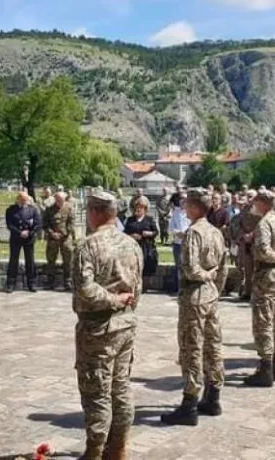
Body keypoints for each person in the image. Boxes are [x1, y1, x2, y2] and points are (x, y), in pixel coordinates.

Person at [72, 191, 143, 460]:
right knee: (120, 388)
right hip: (125, 325)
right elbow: (138, 289)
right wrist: (123, 305)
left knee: (97, 393)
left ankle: (95, 452)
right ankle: (118, 449)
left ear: (95, 212)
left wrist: (112, 300)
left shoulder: (89, 246)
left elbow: (84, 289)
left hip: (98, 328)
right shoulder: (131, 244)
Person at [161, 188, 228, 426]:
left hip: (195, 295)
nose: (184, 208)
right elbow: (224, 268)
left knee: (192, 349)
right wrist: (214, 286)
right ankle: (213, 396)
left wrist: (205, 276)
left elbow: (189, 268)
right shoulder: (215, 232)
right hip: (210, 296)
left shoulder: (194, 232)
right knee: (213, 346)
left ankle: (189, 404)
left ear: (196, 207)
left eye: (187, 204)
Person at [244, 190, 275, 388]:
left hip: (267, 277)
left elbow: (263, 251)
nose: (253, 204)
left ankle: (266, 368)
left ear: (264, 203)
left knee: (263, 322)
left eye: (256, 201)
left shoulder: (265, 223)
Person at [5, 192, 41, 293]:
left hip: (28, 239)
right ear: (18, 199)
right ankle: (11, 283)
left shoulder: (32, 210)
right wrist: (19, 232)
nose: (25, 201)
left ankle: (31, 283)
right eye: (23, 199)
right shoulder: (11, 210)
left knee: (30, 261)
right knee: (13, 260)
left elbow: (37, 224)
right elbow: (9, 224)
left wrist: (29, 232)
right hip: (16, 238)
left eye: (26, 199)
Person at [43, 192, 76, 291]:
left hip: (65, 238)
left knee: (68, 259)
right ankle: (50, 282)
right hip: (53, 238)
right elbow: (45, 224)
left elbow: (71, 223)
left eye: (61, 200)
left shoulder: (69, 208)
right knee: (51, 260)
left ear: (64, 199)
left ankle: (68, 281)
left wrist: (63, 234)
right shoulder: (49, 209)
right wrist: (52, 233)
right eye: (57, 200)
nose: (59, 202)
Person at [125, 198, 159, 282]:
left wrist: (148, 234)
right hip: (132, 247)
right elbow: (124, 233)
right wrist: (131, 236)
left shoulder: (149, 219)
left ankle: (144, 284)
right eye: (136, 208)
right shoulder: (130, 220)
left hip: (145, 247)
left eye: (140, 208)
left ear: (145, 209)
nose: (138, 210)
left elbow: (156, 232)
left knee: (145, 266)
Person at [236, 189, 261, 300]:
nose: (249, 198)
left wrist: (252, 234)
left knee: (257, 268)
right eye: (248, 196)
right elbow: (239, 224)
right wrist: (243, 235)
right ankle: (248, 291)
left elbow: (262, 225)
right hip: (245, 243)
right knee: (247, 268)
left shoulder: (260, 210)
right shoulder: (245, 209)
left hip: (257, 242)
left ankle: (257, 292)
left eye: (251, 196)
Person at [168, 192, 190, 293]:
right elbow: (170, 228)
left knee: (189, 265)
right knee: (178, 266)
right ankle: (179, 287)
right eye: (181, 199)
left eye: (185, 199)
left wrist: (186, 233)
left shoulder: (191, 212)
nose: (183, 201)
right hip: (177, 243)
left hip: (189, 243)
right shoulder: (175, 213)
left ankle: (188, 287)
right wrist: (178, 232)